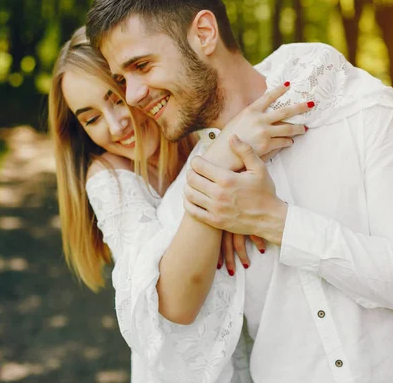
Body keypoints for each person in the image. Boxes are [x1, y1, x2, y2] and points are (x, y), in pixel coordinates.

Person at [86, 0, 393, 382]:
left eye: (142, 66)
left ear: (203, 34)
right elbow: (167, 323)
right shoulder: (195, 192)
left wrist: (275, 220)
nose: (133, 95)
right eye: (122, 79)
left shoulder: (356, 110)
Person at [48, 26, 311, 381]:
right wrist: (216, 179)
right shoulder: (108, 177)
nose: (115, 124)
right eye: (91, 118)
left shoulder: (201, 130)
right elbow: (176, 305)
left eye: (116, 95)